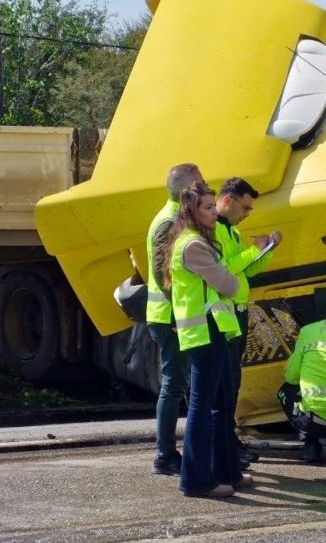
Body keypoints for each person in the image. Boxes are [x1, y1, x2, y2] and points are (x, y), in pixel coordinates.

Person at [165, 183, 250, 497]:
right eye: (207, 208)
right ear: (192, 212)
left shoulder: (200, 241)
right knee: (203, 407)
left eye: (214, 206)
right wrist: (231, 271)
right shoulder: (194, 246)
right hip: (203, 332)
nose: (215, 212)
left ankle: (227, 471)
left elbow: (228, 279)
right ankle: (197, 480)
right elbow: (229, 285)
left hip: (214, 329)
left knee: (222, 404)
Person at [214, 177, 282, 466]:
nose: (247, 214)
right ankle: (225, 443)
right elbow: (225, 269)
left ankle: (229, 439)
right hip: (224, 315)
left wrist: (266, 251)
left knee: (233, 382)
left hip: (238, 311)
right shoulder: (214, 230)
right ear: (228, 201)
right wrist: (254, 250)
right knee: (225, 384)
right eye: (246, 208)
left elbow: (246, 273)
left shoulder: (231, 231)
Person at [147, 163, 204, 476]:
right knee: (175, 384)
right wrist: (180, 313)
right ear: (188, 188)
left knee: (179, 382)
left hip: (172, 315)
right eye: (201, 182)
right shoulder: (171, 222)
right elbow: (162, 272)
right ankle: (165, 455)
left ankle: (168, 452)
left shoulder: (176, 218)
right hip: (170, 317)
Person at [277, 320, 326, 464]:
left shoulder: (307, 331)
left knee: (286, 390)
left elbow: (291, 377)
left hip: (312, 422)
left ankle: (310, 444)